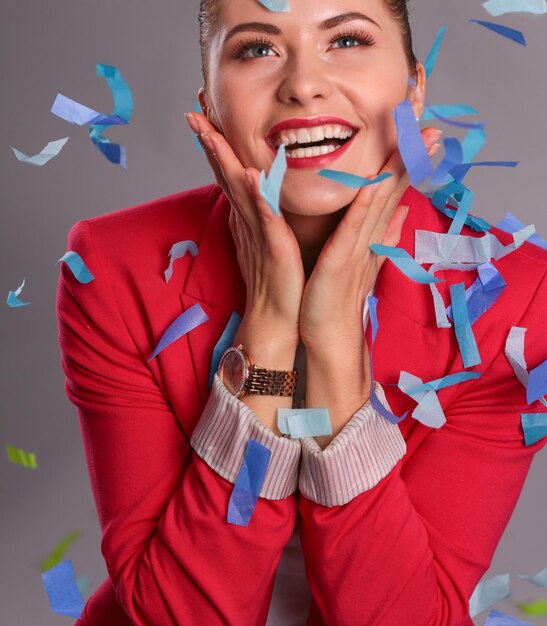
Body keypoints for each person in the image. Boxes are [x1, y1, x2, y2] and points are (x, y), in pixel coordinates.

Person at [56, 0, 546, 624]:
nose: (304, 85)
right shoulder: (112, 265)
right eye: (257, 49)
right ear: (209, 106)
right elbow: (178, 615)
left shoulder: (519, 298)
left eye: (346, 39)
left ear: (414, 89)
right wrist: (269, 325)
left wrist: (335, 338)